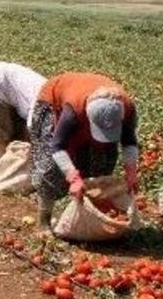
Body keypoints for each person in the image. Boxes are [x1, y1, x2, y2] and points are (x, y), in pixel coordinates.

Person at [28, 72, 139, 230]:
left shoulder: (126, 109)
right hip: (55, 101)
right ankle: (44, 219)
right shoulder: (73, 110)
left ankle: (89, 216)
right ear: (87, 116)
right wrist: (73, 178)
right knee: (50, 167)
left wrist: (131, 172)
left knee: (103, 163)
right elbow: (57, 146)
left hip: (87, 104)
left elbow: (129, 141)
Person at [0, 62, 46, 160]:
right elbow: (33, 132)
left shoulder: (54, 99)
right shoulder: (43, 105)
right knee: (1, 137)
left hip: (7, 83)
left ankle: (8, 160)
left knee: (18, 135)